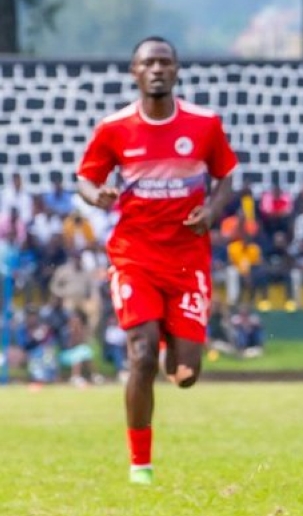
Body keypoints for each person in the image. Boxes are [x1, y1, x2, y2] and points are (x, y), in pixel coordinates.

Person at [75, 36, 237, 484]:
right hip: (135, 256)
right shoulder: (115, 128)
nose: (157, 69)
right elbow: (85, 180)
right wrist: (99, 195)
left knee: (184, 374)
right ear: (135, 72)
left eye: (165, 61)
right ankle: (140, 466)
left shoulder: (204, 124)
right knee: (141, 355)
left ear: (177, 69)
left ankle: (170, 332)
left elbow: (225, 178)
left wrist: (213, 210)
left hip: (188, 262)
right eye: (149, 63)